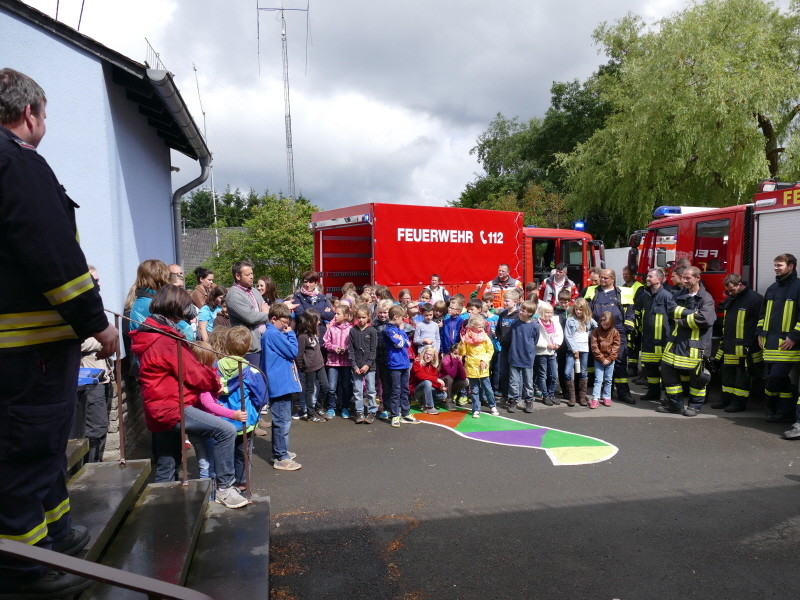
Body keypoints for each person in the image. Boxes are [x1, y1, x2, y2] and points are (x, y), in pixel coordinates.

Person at [0, 68, 120, 597]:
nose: (44, 124)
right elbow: (54, 258)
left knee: (45, 449)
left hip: (27, 351)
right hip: (28, 354)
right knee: (26, 453)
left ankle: (55, 536)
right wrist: (97, 323)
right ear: (29, 113)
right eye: (45, 114)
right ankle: (24, 570)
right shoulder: (18, 164)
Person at [129, 286, 247, 509]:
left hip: (157, 406)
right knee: (226, 430)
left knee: (167, 462)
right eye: (185, 307)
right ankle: (225, 488)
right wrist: (215, 383)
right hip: (171, 406)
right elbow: (194, 372)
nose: (188, 312)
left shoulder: (152, 334)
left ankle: (161, 512)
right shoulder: (165, 340)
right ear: (176, 308)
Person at [657, 267, 716, 417]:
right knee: (667, 372)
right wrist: (692, 314)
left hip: (696, 345)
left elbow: (705, 319)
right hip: (675, 342)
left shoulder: (706, 298)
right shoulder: (677, 294)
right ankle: (675, 404)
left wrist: (682, 321)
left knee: (697, 378)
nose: (684, 280)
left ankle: (695, 406)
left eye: (688, 278)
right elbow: (670, 311)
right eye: (683, 277)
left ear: (697, 278)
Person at [216, 326, 267, 489]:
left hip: (223, 419)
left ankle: (226, 482)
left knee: (225, 453)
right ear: (247, 348)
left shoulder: (216, 368)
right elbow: (262, 397)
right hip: (246, 419)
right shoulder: (252, 371)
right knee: (244, 452)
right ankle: (243, 482)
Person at [756, 255, 800, 433]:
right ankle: (782, 412)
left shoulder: (798, 286)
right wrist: (760, 333)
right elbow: (763, 314)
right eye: (774, 265)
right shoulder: (772, 288)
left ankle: (777, 408)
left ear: (791, 266)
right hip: (769, 344)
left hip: (788, 345)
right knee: (774, 379)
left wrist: (794, 337)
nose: (776, 268)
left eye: (779, 265)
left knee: (776, 377)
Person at [712, 274, 763, 413]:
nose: (730, 293)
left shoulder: (755, 299)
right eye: (728, 291)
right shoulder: (731, 299)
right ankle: (725, 399)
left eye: (732, 290)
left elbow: (761, 321)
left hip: (745, 346)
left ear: (740, 284)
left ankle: (739, 403)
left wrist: (755, 341)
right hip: (729, 344)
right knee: (727, 374)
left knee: (742, 377)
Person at [260, 303, 303, 470]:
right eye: (284, 322)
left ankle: (279, 451)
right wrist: (291, 334)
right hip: (280, 384)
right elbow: (292, 352)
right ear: (273, 319)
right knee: (282, 421)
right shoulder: (273, 334)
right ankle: (281, 456)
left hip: (282, 383)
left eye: (288, 323)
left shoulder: (272, 333)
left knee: (282, 420)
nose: (286, 325)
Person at [588, 269, 636, 405]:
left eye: (605, 278)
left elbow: (631, 312)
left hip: (618, 332)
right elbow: (586, 310)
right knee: (599, 362)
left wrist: (627, 327)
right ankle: (601, 394)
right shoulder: (592, 291)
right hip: (598, 332)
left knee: (620, 362)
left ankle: (623, 393)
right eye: (601, 278)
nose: (602, 280)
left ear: (613, 279)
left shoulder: (623, 292)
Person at [634, 268, 676, 402]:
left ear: (659, 279)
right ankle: (653, 393)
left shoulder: (666, 296)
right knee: (650, 369)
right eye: (647, 276)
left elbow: (674, 317)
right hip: (648, 341)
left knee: (666, 372)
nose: (647, 278)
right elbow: (635, 310)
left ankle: (669, 398)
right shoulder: (645, 295)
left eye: (650, 276)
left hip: (663, 341)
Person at [226, 261, 270, 366]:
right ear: (237, 276)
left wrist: (265, 313)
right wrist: (265, 313)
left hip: (263, 341)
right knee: (253, 377)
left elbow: (265, 308)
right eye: (247, 275)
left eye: (252, 274)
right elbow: (251, 317)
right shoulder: (233, 295)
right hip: (249, 346)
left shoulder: (254, 291)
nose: (251, 277)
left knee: (264, 377)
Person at [384, 305, 420, 427]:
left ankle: (405, 412)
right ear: (395, 317)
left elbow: (407, 343)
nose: (403, 321)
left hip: (404, 363)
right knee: (396, 390)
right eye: (401, 318)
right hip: (395, 364)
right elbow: (398, 344)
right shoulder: (388, 330)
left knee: (405, 389)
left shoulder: (400, 329)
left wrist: (401, 336)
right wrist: (401, 337)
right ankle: (395, 415)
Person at [295, 309, 330, 423]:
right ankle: (310, 414)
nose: (319, 322)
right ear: (310, 321)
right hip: (309, 367)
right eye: (317, 320)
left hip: (320, 364)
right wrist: (300, 368)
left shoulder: (315, 332)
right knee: (310, 390)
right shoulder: (302, 336)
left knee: (325, 386)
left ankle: (319, 407)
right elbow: (299, 354)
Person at [460, 314, 498, 418]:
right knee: (474, 389)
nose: (482, 329)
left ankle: (492, 405)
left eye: (482, 327)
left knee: (487, 388)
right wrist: (462, 344)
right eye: (479, 327)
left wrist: (484, 360)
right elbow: (463, 353)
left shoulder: (484, 337)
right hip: (471, 366)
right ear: (472, 326)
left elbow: (490, 350)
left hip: (483, 366)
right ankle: (476, 408)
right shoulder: (467, 337)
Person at [507, 300, 540, 413]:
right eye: (520, 309)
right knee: (514, 381)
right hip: (515, 356)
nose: (520, 312)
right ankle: (513, 400)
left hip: (527, 357)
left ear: (530, 313)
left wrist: (529, 352)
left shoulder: (534, 326)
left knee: (528, 381)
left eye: (523, 311)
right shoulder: (515, 324)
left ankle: (529, 400)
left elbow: (535, 340)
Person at [563, 297, 597, 408]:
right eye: (576, 309)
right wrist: (574, 349)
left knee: (583, 372)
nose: (578, 312)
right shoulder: (570, 320)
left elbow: (596, 327)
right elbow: (568, 336)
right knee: (568, 372)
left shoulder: (588, 320)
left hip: (584, 350)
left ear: (585, 310)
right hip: (573, 350)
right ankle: (572, 396)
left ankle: (582, 396)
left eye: (580, 310)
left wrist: (590, 335)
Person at [348, 305, 379, 424]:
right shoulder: (353, 330)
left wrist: (368, 365)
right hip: (356, 366)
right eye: (359, 317)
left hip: (369, 367)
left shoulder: (372, 331)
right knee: (357, 391)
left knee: (371, 390)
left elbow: (373, 350)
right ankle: (359, 412)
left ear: (368, 317)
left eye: (363, 317)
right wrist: (355, 366)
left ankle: (372, 411)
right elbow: (350, 350)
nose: (360, 320)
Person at [323, 304, 354, 419]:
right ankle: (331, 407)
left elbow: (353, 344)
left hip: (346, 362)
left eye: (338, 314)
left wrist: (346, 349)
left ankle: (345, 407)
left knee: (346, 385)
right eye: (335, 313)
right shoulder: (331, 328)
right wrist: (335, 348)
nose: (335, 316)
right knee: (331, 386)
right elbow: (326, 342)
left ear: (346, 316)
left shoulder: (351, 329)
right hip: (333, 361)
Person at [494, 289, 521, 402]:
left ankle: (516, 396)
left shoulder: (519, 315)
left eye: (507, 301)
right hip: (504, 347)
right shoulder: (503, 314)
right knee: (504, 371)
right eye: (504, 301)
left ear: (515, 302)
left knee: (515, 373)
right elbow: (498, 329)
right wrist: (500, 338)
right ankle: (505, 395)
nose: (505, 303)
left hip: (515, 348)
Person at [128, 259, 170, 331]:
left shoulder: (140, 298)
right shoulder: (154, 304)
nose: (169, 281)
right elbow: (187, 332)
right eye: (167, 277)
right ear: (160, 279)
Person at [590, 312, 621, 409]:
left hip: (610, 360)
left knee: (608, 380)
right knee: (598, 380)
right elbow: (594, 347)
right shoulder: (596, 331)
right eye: (603, 324)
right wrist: (602, 359)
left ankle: (607, 397)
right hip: (599, 360)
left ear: (611, 323)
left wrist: (610, 358)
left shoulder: (615, 332)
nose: (605, 326)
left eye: (607, 324)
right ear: (600, 322)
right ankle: (595, 398)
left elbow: (616, 346)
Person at [535, 302, 564, 406]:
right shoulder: (537, 323)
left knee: (553, 375)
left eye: (551, 312)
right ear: (542, 312)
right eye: (547, 312)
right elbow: (536, 339)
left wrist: (557, 343)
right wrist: (546, 345)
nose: (549, 314)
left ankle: (551, 394)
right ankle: (545, 395)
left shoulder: (554, 322)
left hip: (552, 352)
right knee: (543, 375)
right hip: (541, 352)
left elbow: (559, 334)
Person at [293, 271, 335, 339]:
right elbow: (301, 316)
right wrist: (323, 312)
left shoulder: (322, 297)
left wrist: (309, 311)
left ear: (315, 283)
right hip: (305, 334)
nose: (307, 284)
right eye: (305, 282)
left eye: (311, 282)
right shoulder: (298, 297)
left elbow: (331, 315)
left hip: (321, 333)